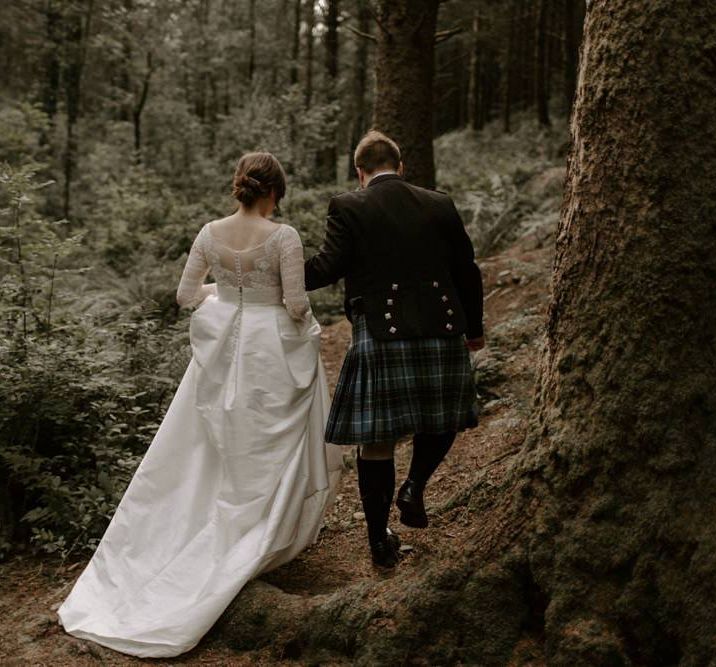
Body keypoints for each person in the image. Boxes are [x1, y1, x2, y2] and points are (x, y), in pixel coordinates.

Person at [57, 152, 342, 658]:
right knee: (263, 442)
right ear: (275, 191)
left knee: (205, 446)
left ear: (241, 187)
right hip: (267, 349)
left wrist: (227, 291)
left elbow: (186, 296)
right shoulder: (285, 237)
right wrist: (292, 317)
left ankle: (194, 534)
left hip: (223, 346)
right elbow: (296, 305)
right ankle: (254, 533)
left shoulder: (209, 233)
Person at [305, 130, 484, 569]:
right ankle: (416, 486)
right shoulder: (439, 203)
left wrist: (275, 266)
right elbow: (467, 269)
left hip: (382, 333)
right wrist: (474, 327)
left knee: (378, 440)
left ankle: (378, 540)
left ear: (360, 172)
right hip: (442, 328)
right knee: (443, 418)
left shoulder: (348, 205)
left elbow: (326, 267)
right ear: (401, 167)